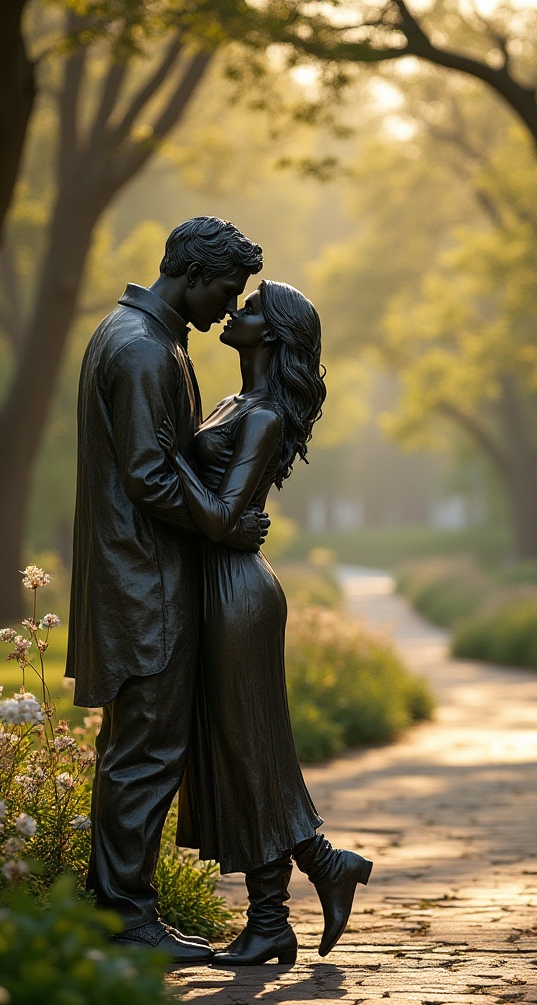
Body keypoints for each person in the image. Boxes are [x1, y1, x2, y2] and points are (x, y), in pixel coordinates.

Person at [65, 216, 266, 966]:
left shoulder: (146, 339)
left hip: (140, 576)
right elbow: (150, 477)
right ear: (192, 273)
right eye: (226, 288)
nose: (227, 307)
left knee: (136, 750)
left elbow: (159, 455)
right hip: (144, 585)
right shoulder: (145, 349)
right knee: (145, 753)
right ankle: (125, 919)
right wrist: (223, 524)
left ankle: (115, 911)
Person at [156, 280, 372, 967]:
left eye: (251, 307)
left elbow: (222, 513)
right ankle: (318, 872)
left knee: (248, 749)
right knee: (240, 748)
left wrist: (162, 458)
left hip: (239, 596)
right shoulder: (234, 402)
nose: (235, 311)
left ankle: (274, 919)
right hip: (219, 585)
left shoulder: (265, 416)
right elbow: (222, 514)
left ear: (272, 333)